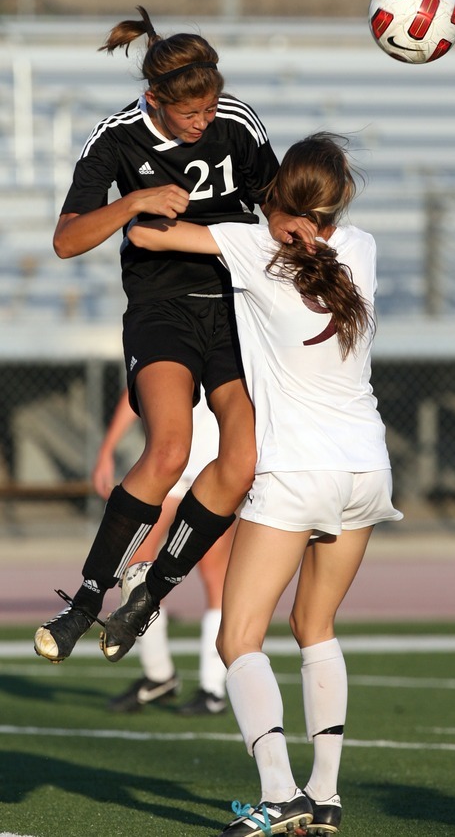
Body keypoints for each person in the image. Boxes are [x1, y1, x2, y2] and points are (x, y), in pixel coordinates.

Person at [109, 131, 403, 836]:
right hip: (365, 467)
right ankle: (325, 798)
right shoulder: (360, 247)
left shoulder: (253, 246)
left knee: (239, 636)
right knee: (315, 628)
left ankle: (280, 793)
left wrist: (147, 197)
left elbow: (151, 238)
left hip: (296, 472)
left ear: (281, 207)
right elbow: (311, 234)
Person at [34, 6, 307, 664]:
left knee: (242, 463)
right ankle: (85, 601)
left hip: (237, 306)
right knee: (169, 452)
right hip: (161, 309)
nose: (204, 120)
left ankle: (150, 595)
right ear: (155, 98)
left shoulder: (235, 122)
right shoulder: (117, 140)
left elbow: (274, 208)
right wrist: (133, 202)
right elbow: (67, 240)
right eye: (191, 113)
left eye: (211, 106)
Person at [92, 388, 230, 715]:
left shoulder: (234, 338)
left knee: (214, 575)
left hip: (213, 463)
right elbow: (138, 386)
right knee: (137, 565)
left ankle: (212, 688)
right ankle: (158, 674)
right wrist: (107, 448)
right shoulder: (165, 337)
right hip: (172, 462)